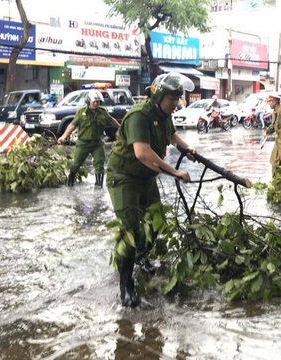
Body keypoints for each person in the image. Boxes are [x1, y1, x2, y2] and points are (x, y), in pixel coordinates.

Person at [106, 72, 195, 307]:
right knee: (130, 231)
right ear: (158, 97)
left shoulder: (164, 114)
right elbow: (142, 153)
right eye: (171, 99)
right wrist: (174, 172)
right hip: (124, 177)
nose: (175, 103)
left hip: (146, 178)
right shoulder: (139, 116)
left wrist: (187, 149)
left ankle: (140, 258)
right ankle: (127, 291)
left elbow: (171, 134)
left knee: (157, 222)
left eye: (178, 99)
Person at [57, 91, 120, 187]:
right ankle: (70, 182)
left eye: (98, 102)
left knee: (99, 165)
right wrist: (63, 136)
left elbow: (112, 120)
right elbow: (72, 125)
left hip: (97, 144)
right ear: (88, 101)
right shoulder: (81, 112)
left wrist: (121, 127)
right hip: (83, 143)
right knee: (76, 164)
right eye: (94, 102)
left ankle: (98, 186)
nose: (96, 103)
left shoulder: (102, 112)